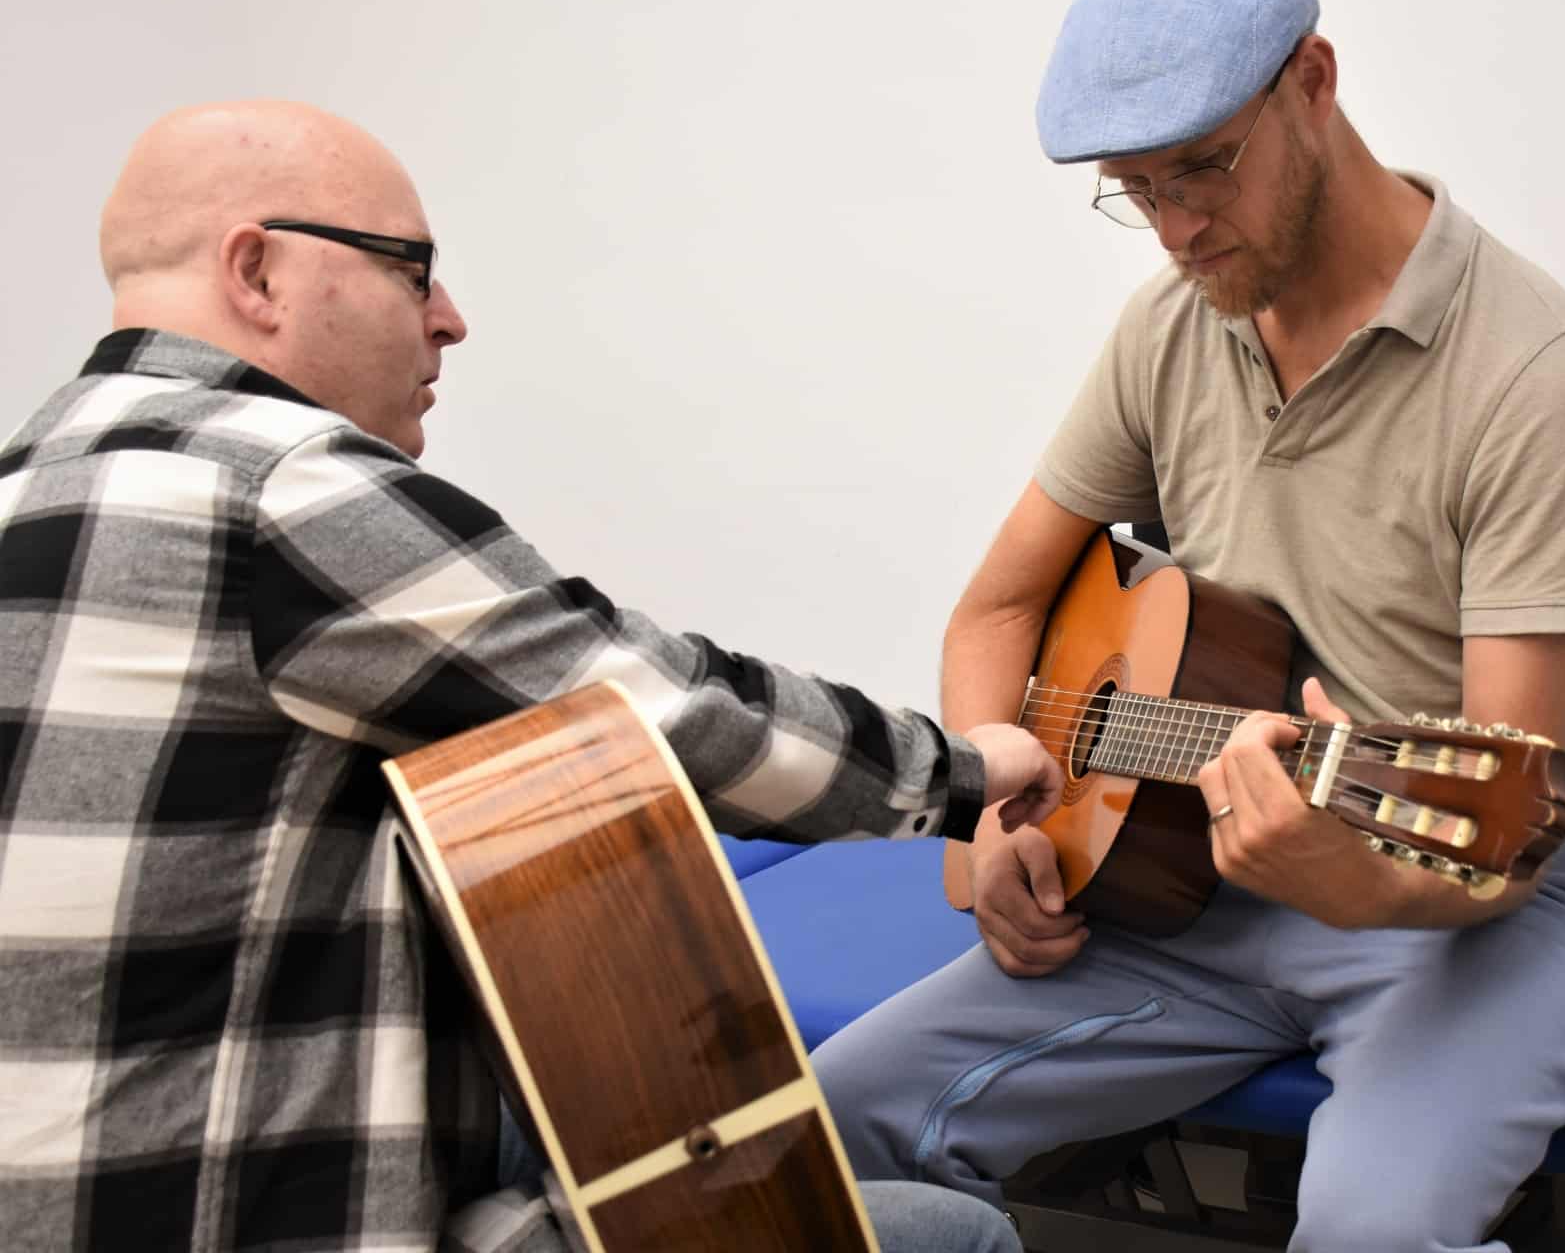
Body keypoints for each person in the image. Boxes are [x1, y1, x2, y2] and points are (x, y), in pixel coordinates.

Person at [0, 101, 1043, 1253]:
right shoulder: (278, 487)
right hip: (234, 1205)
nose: (450, 319)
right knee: (951, 1234)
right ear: (258, 270)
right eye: (414, 270)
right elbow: (658, 707)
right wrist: (965, 768)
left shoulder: (28, 483)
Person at [812, 0, 1565, 1249]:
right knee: (815, 1133)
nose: (1172, 226)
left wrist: (1353, 884)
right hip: (1192, 893)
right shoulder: (1169, 324)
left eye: (1200, 170)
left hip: (1486, 913)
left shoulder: (1529, 371)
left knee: (1368, 1234)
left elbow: (1507, 830)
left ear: (1312, 83)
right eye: (1134, 186)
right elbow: (996, 610)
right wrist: (994, 822)